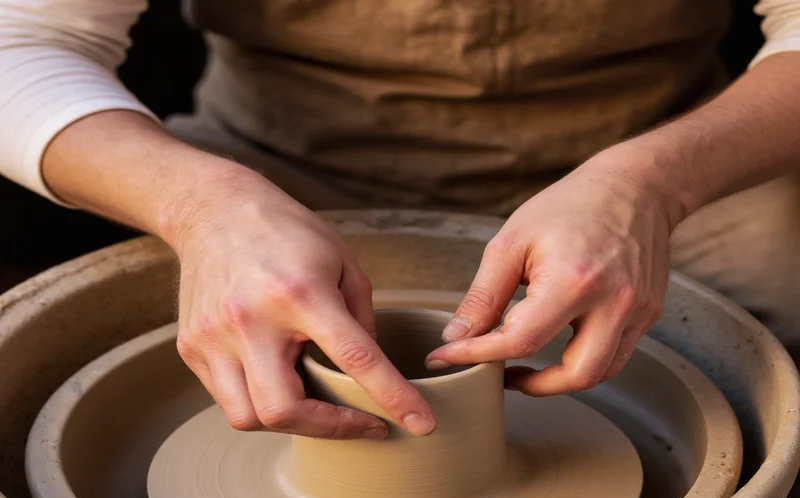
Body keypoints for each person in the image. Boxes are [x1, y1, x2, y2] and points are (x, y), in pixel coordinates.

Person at [0, 1, 799, 442]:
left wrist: (651, 184)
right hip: (274, 168)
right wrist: (200, 206)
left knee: (773, 360)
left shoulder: (654, 175)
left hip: (658, 153)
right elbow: (23, 39)